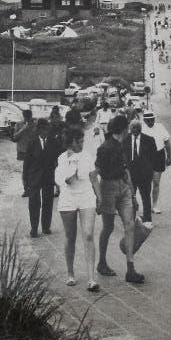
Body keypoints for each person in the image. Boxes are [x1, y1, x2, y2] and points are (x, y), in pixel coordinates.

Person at [95, 114, 144, 283]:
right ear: (124, 129)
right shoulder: (105, 148)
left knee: (129, 226)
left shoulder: (121, 145)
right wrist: (99, 197)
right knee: (108, 228)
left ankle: (130, 269)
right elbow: (97, 173)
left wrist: (132, 193)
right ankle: (101, 262)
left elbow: (125, 172)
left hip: (121, 187)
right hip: (108, 187)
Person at [54, 127, 99, 292]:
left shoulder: (87, 157)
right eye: (80, 141)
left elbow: (94, 179)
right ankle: (71, 273)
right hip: (68, 198)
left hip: (86, 196)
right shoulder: (61, 158)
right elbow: (59, 179)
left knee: (88, 234)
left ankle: (91, 279)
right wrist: (67, 179)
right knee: (70, 237)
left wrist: (100, 199)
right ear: (72, 142)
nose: (82, 144)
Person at [22, 119, 61, 237]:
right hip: (34, 177)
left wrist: (58, 178)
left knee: (48, 202)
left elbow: (58, 160)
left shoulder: (54, 142)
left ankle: (46, 226)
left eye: (47, 129)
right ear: (39, 129)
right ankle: (34, 228)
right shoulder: (32, 143)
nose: (46, 131)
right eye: (43, 129)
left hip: (49, 177)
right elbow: (26, 163)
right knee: (34, 203)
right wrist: (25, 179)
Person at [125, 119, 158, 224]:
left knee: (146, 197)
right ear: (130, 129)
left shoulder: (149, 140)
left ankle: (147, 219)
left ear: (140, 128)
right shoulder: (125, 140)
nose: (135, 130)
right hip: (130, 174)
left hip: (144, 175)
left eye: (137, 128)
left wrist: (150, 170)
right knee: (130, 197)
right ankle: (131, 219)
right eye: (133, 128)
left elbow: (154, 157)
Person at [141, 110, 171, 215]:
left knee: (156, 182)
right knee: (146, 183)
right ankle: (147, 205)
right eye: (148, 120)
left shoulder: (160, 127)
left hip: (159, 156)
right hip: (146, 157)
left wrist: (169, 157)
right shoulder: (141, 129)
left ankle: (154, 205)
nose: (151, 122)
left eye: (152, 119)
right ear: (144, 120)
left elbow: (167, 142)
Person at [12, 110, 35, 197]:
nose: (27, 119)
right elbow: (14, 137)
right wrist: (23, 129)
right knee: (25, 171)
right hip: (23, 150)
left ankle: (32, 188)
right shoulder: (19, 124)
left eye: (29, 117)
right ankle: (26, 189)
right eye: (26, 117)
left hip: (33, 151)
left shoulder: (35, 125)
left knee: (32, 170)